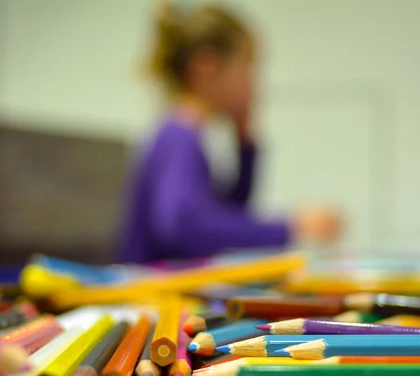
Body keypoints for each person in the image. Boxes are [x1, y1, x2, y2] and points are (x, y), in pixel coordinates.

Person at [118, 2, 341, 263]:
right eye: (247, 69)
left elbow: (229, 218)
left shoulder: (191, 135)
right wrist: (291, 227)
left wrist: (245, 143)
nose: (254, 87)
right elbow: (183, 227)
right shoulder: (177, 136)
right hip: (147, 293)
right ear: (206, 67)